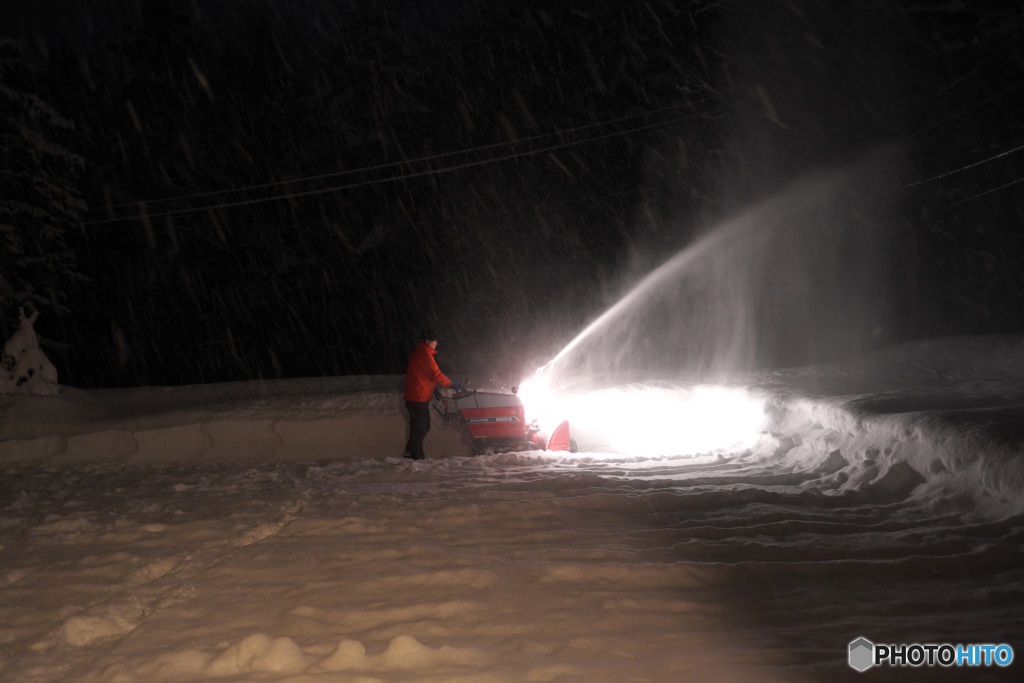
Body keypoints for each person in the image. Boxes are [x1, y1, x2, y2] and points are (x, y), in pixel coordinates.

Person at [403, 329, 465, 460]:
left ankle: (410, 453)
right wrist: (452, 385)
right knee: (423, 426)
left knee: (416, 427)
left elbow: (421, 375)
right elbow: (435, 374)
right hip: (417, 397)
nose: (436, 343)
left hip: (414, 396)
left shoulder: (419, 352)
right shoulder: (424, 353)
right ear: (427, 341)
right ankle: (417, 456)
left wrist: (434, 390)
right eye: (435, 340)